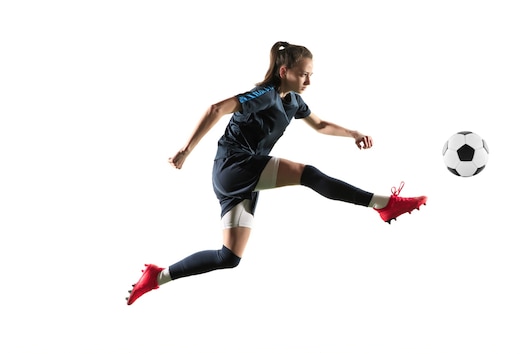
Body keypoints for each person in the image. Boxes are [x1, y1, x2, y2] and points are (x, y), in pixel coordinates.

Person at [126, 41, 427, 305]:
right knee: (308, 174)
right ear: (284, 72)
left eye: (311, 74)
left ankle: (157, 277)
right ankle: (383, 204)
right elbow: (217, 108)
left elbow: (320, 125)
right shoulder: (262, 95)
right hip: (234, 166)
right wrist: (186, 150)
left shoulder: (293, 101)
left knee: (228, 258)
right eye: (303, 73)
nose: (308, 79)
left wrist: (353, 133)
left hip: (246, 175)